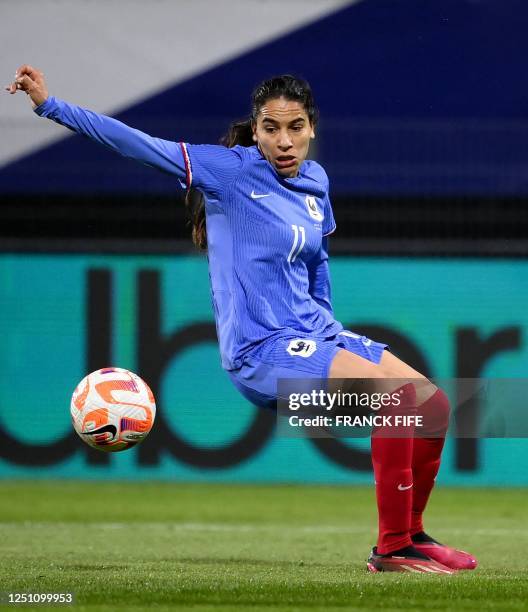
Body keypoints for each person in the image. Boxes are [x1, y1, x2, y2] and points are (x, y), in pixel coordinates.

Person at [7, 65, 477, 573]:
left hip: (312, 334)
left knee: (433, 404)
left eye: (295, 127)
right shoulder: (228, 171)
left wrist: (329, 330)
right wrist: (50, 106)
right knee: (395, 400)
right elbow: (135, 143)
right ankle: (391, 550)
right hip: (260, 351)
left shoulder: (317, 180)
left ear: (312, 128)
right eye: (271, 128)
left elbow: (316, 261)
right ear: (255, 131)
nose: (284, 141)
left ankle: (413, 532)